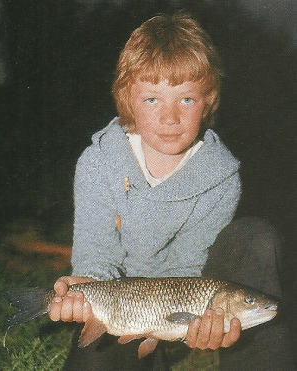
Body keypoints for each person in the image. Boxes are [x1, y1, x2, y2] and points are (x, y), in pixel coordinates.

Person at [49, 14, 294, 371]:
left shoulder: (220, 176)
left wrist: (191, 327)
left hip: (186, 297)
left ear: (207, 102)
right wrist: (83, 289)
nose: (170, 117)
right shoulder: (98, 163)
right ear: (128, 100)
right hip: (119, 306)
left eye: (186, 100)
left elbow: (190, 267)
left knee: (256, 236)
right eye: (152, 99)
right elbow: (96, 254)